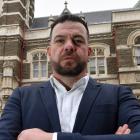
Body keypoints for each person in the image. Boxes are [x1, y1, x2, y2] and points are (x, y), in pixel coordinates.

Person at [0, 14, 140, 140]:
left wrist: (53, 138)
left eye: (78, 40)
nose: (69, 46)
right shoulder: (21, 97)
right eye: (60, 40)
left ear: (89, 52)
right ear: (48, 52)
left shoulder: (119, 95)